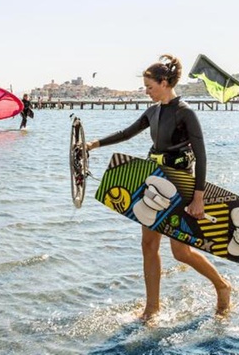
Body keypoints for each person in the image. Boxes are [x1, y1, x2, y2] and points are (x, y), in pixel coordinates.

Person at [85, 54, 231, 320]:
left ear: (164, 82)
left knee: (181, 252)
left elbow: (202, 155)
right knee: (148, 245)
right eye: (145, 87)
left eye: (150, 87)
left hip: (180, 184)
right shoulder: (152, 111)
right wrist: (95, 144)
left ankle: (222, 286)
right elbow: (127, 133)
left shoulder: (185, 112)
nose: (147, 91)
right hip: (153, 180)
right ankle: (152, 308)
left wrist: (198, 198)